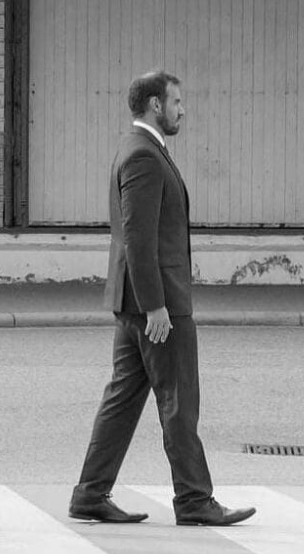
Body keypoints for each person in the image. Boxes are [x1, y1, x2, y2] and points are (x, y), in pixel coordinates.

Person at [70, 71, 255, 527]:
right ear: (155, 104)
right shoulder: (144, 156)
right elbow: (138, 236)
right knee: (179, 400)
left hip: (134, 300)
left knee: (122, 402)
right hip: (156, 305)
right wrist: (157, 306)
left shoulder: (137, 150)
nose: (182, 109)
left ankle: (90, 494)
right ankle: (193, 499)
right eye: (177, 101)